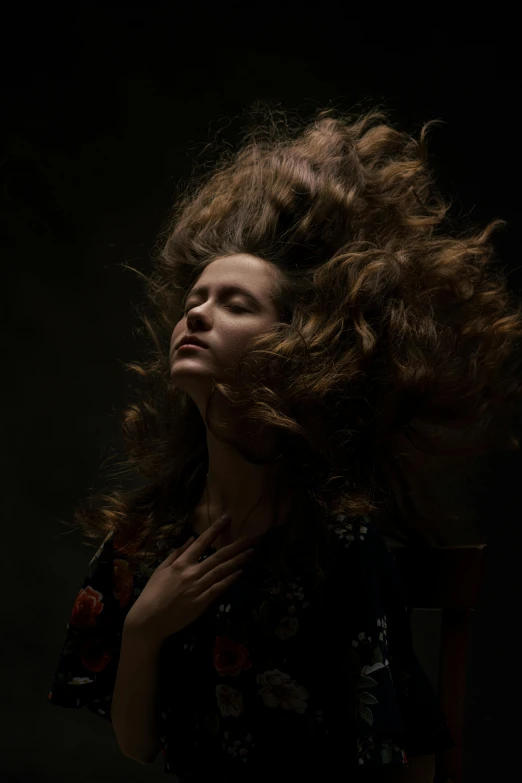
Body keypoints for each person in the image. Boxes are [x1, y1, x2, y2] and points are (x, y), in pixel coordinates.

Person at [47, 104, 522, 781]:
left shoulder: (337, 545)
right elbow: (137, 745)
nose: (198, 311)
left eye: (235, 303)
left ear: (292, 346)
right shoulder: (146, 539)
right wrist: (145, 626)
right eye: (195, 298)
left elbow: (396, 752)